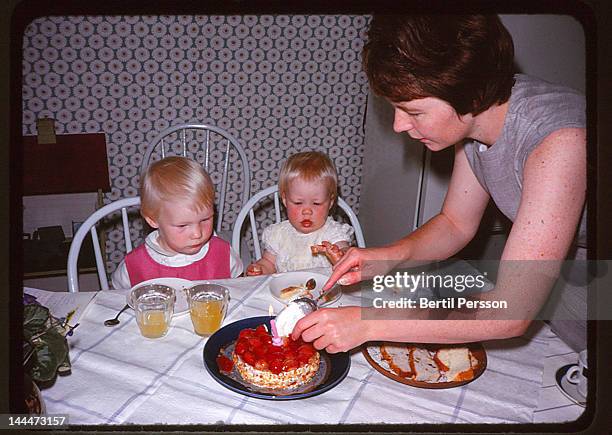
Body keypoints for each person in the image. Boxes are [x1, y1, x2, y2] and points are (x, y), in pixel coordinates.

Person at [292, 14, 587, 354]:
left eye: (413, 112)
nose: (399, 126)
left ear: (470, 95)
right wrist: (383, 259)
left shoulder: (561, 143)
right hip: (560, 282)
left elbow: (511, 311)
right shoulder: (476, 121)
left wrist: (369, 322)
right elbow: (455, 224)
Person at [111, 156, 243, 289]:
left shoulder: (223, 253)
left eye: (205, 219)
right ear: (152, 220)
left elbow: (240, 289)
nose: (197, 234)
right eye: (182, 225)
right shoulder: (134, 265)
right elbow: (115, 299)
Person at [245, 151, 355, 275]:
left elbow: (345, 252)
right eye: (298, 203)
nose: (307, 211)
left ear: (330, 202)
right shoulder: (278, 234)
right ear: (285, 200)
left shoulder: (333, 233)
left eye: (316, 203)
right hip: (287, 292)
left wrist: (341, 255)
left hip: (326, 292)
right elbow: (268, 263)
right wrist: (260, 269)